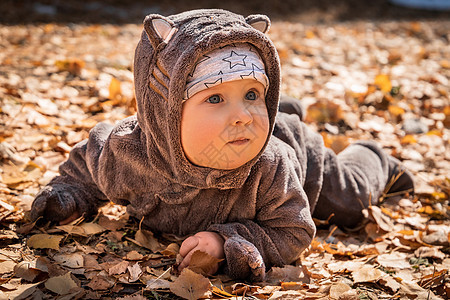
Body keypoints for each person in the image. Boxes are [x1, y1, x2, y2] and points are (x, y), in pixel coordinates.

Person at [30, 9, 414, 281]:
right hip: (262, 132)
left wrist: (230, 238)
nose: (244, 115)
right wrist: (69, 194)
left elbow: (292, 230)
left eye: (253, 94)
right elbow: (85, 165)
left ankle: (373, 156)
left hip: (304, 160)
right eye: (214, 98)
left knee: (349, 202)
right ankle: (286, 110)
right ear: (164, 111)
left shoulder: (271, 166)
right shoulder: (126, 152)